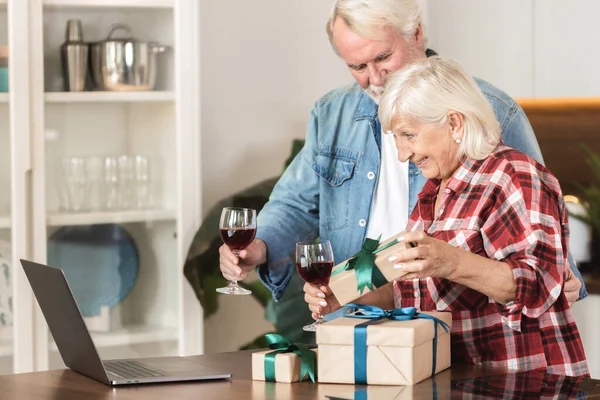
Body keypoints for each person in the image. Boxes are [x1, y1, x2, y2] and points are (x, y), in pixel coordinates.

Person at [219, 0, 586, 314]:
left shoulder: (490, 110)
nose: (374, 78)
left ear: (415, 35)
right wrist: (258, 245)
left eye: (382, 58)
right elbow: (296, 204)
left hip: (465, 330)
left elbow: (544, 244)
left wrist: (556, 277)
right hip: (360, 309)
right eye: (357, 66)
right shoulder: (332, 114)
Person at [306, 56, 589, 376]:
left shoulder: (513, 175)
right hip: (464, 382)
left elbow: (540, 284)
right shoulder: (433, 192)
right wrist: (342, 297)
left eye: (408, 135)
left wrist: (451, 262)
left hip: (525, 382)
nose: (402, 153)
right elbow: (414, 292)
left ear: (454, 123)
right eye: (395, 139)